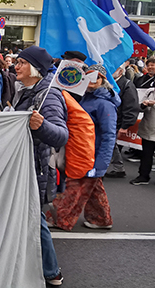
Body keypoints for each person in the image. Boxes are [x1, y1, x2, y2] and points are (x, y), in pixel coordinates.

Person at [10, 45, 67, 286]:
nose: (16, 66)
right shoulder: (25, 91)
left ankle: (51, 271)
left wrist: (41, 126)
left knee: (35, 218)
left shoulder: (48, 95)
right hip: (24, 165)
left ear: (34, 68)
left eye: (21, 63)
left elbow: (61, 136)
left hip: (36, 167)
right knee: (31, 217)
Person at [48, 64, 120, 231]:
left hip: (89, 156)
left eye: (96, 77)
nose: (92, 80)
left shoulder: (105, 104)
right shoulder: (86, 98)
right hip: (82, 152)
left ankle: (59, 219)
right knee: (93, 188)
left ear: (103, 80)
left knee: (74, 188)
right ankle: (101, 219)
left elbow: (109, 135)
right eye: (88, 76)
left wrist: (101, 164)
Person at [105, 64, 139, 179]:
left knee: (111, 144)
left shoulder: (126, 84)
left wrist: (125, 126)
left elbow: (131, 106)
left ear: (120, 72)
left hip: (117, 120)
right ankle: (117, 167)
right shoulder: (109, 83)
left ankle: (118, 167)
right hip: (110, 119)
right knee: (111, 144)